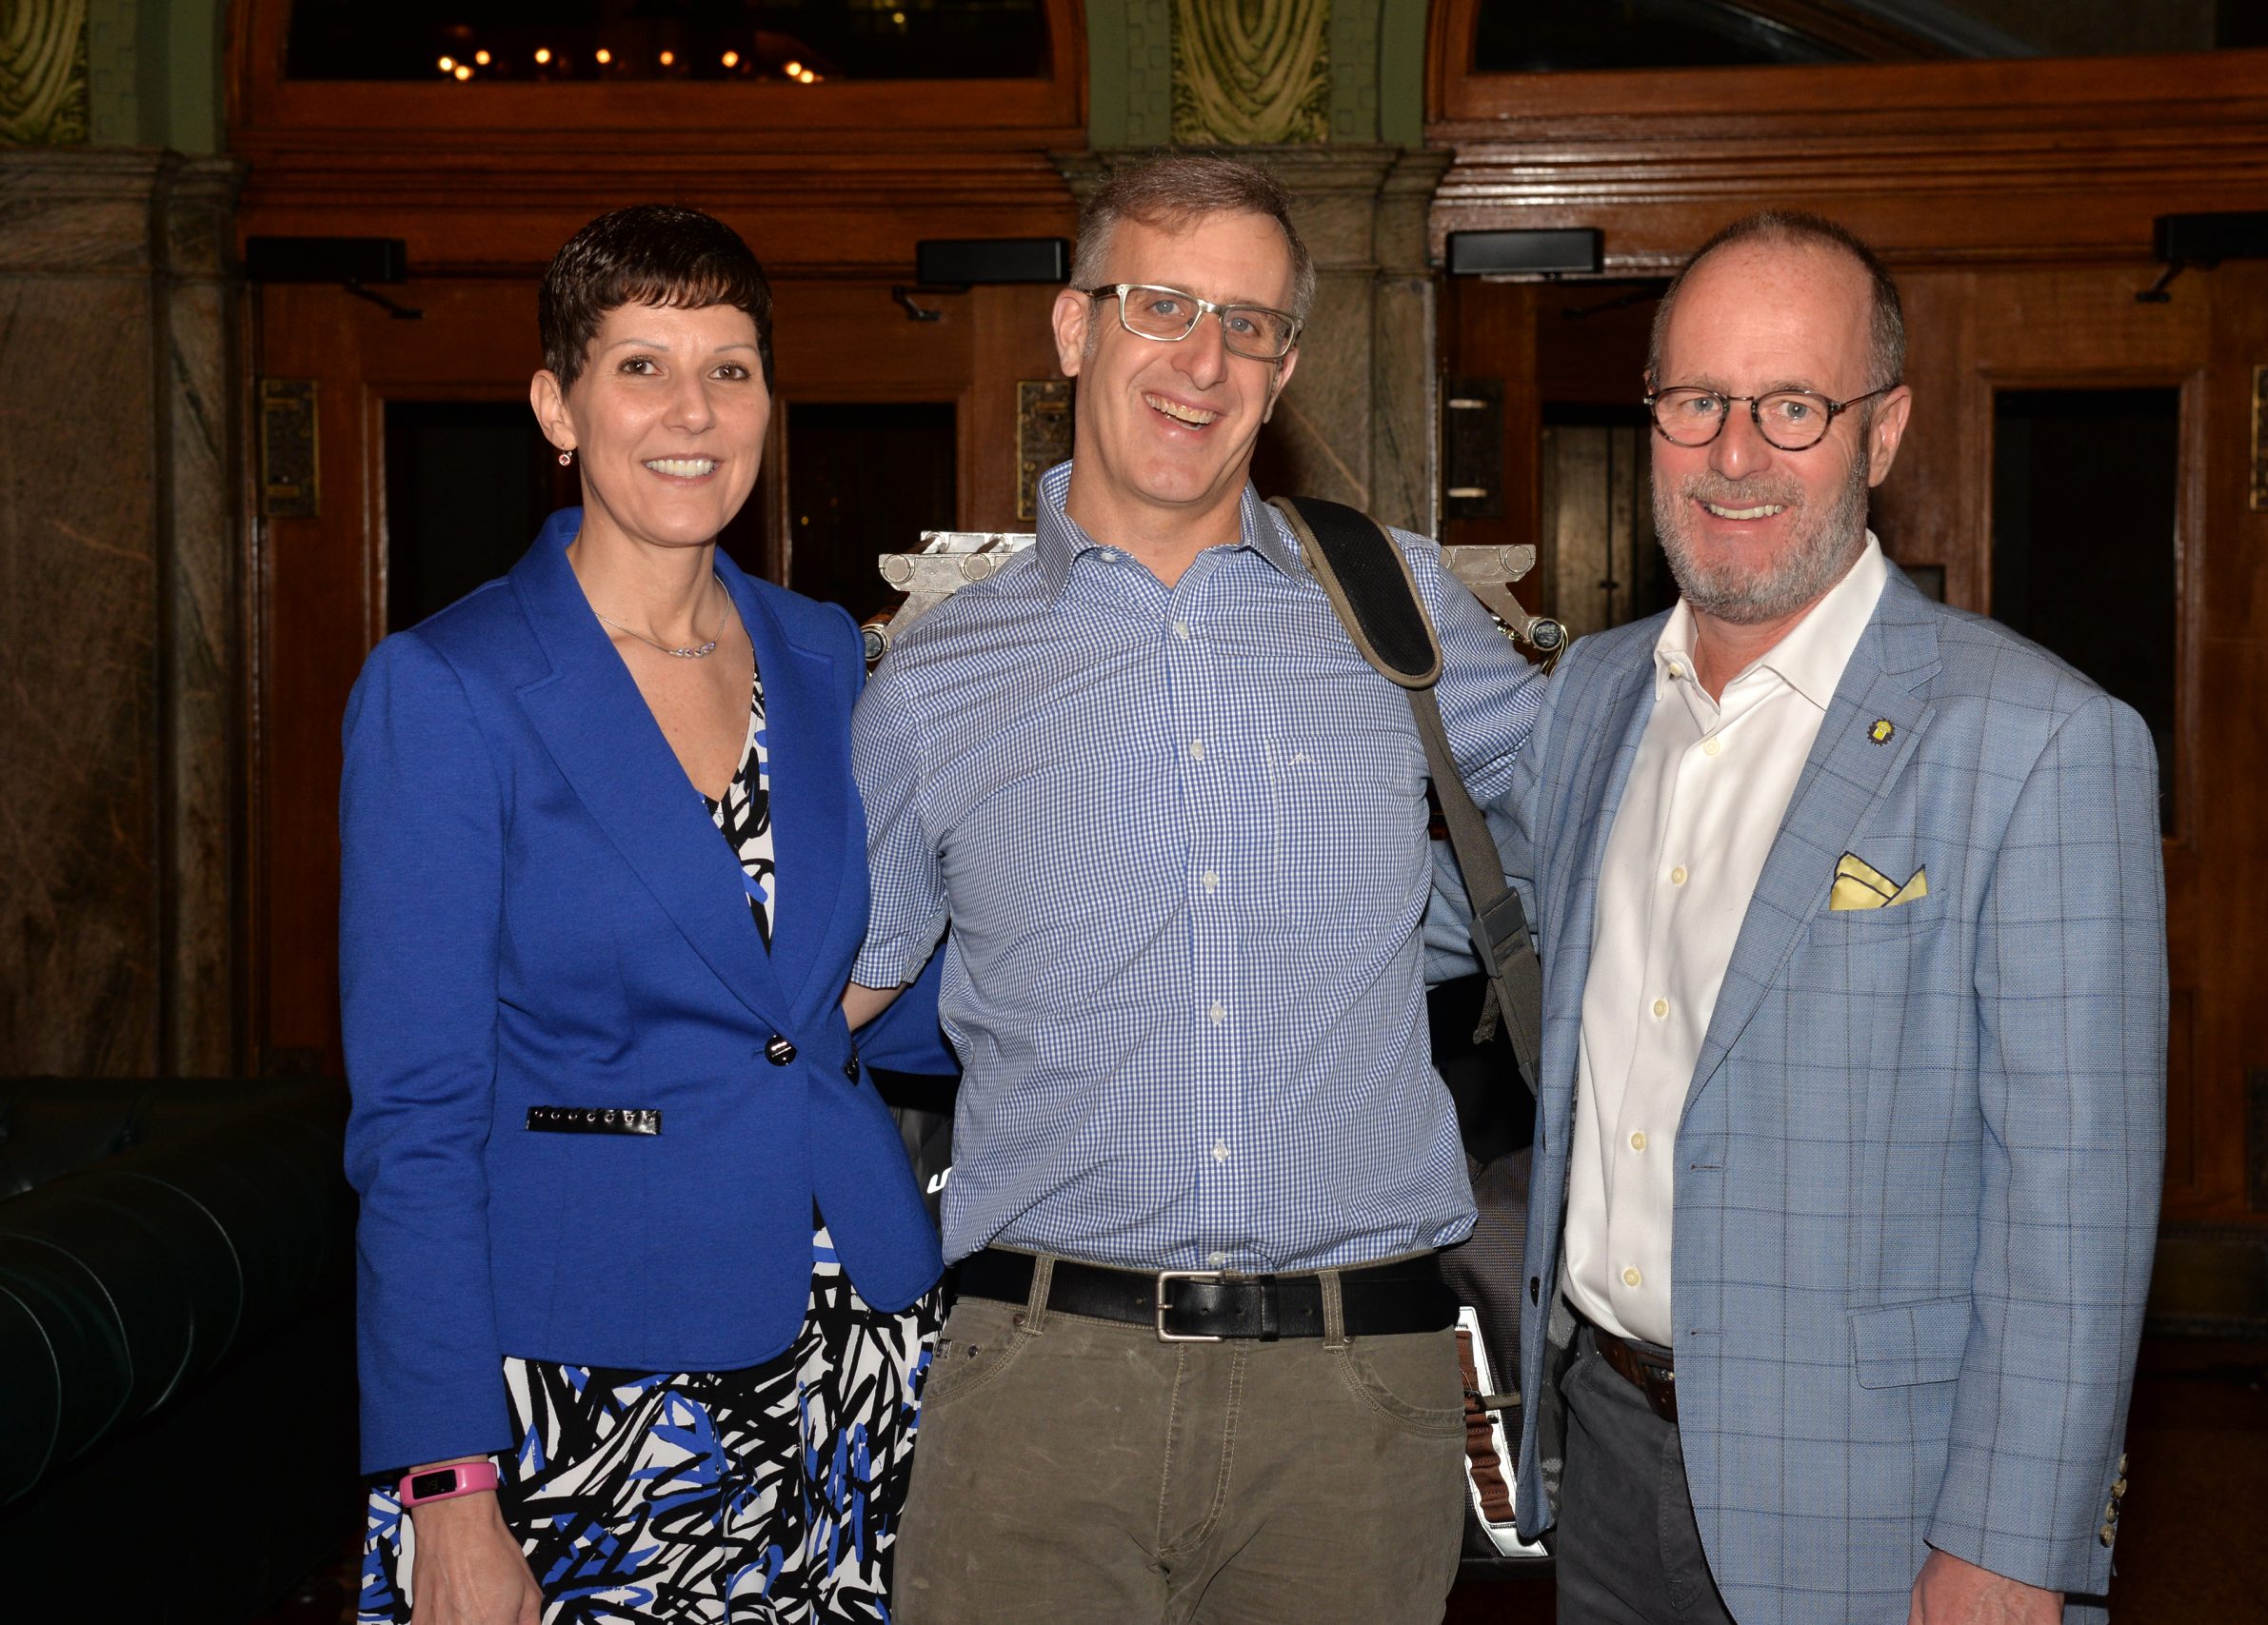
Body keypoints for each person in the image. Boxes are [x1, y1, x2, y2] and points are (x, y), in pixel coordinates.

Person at [844, 155, 1543, 1622]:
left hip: (1352, 1404)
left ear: (1283, 369)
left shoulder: (1401, 609)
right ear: (1075, 327)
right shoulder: (934, 682)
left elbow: (1612, 827)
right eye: (1161, 304)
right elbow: (834, 996)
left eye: (1249, 323)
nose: (1203, 359)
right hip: (1040, 1391)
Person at [1502, 211, 2165, 1625]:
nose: (1735, 455)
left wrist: (2010, 1547)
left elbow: (2077, 1208)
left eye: (1793, 406)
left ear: (1883, 432)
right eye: (1697, 401)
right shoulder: (1591, 700)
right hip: (1605, 1458)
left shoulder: (2036, 740)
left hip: (1885, 1507)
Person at [341, 204, 947, 1625]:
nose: (693, 412)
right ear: (557, 408)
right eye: (641, 367)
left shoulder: (821, 652)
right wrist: (448, 1485)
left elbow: (842, 995)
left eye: (730, 369)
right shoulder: (449, 687)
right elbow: (416, 1121)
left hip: (854, 1351)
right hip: (585, 1387)